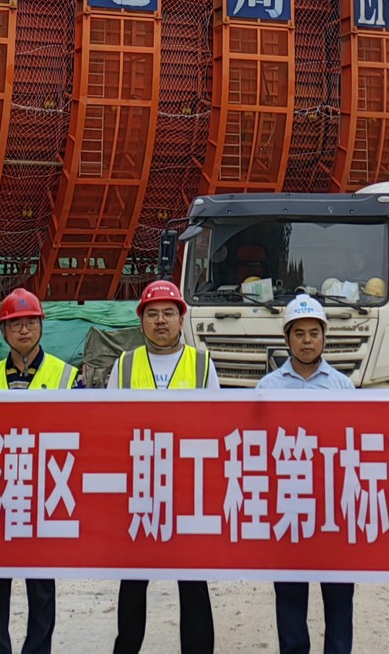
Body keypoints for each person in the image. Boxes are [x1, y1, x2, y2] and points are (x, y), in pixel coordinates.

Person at [107, 279, 218, 654]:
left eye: (168, 313)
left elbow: (215, 428)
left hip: (186, 490)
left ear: (181, 319)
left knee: (193, 581)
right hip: (139, 488)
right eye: (152, 314)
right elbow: (108, 428)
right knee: (133, 582)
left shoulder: (202, 364)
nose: (160, 321)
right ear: (141, 320)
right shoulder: (124, 365)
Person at [0, 288, 78, 654]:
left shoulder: (67, 377)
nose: (24, 330)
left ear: (41, 326)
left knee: (41, 589)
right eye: (15, 323)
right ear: (2, 330)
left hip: (44, 494)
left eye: (30, 322)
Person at [258, 294, 354, 654]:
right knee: (290, 599)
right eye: (299, 334)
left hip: (333, 509)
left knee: (339, 600)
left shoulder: (342, 387)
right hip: (288, 507)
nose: (307, 340)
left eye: (314, 333)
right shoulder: (267, 389)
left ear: (325, 337)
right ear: (287, 339)